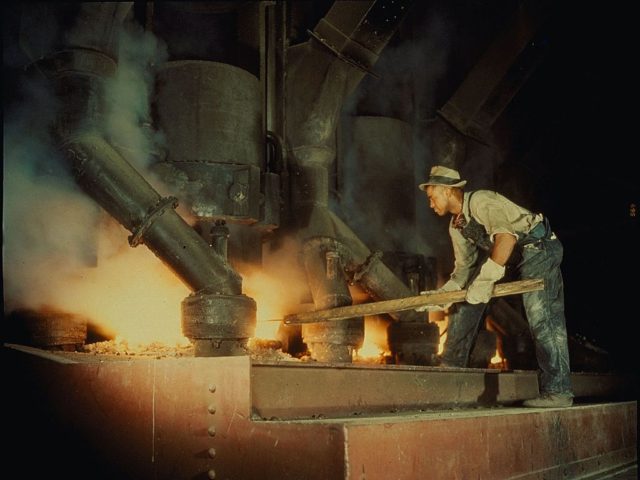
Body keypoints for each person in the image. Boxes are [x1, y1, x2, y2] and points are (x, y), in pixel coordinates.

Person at [418, 165, 573, 408]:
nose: (430, 204)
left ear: (448, 191)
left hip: (538, 248)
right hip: (510, 259)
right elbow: (463, 272)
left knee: (541, 315)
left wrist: (486, 279)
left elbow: (507, 237)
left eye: (432, 196)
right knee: (466, 304)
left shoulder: (481, 201)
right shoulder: (456, 226)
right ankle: (450, 372)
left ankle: (558, 392)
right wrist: (441, 296)